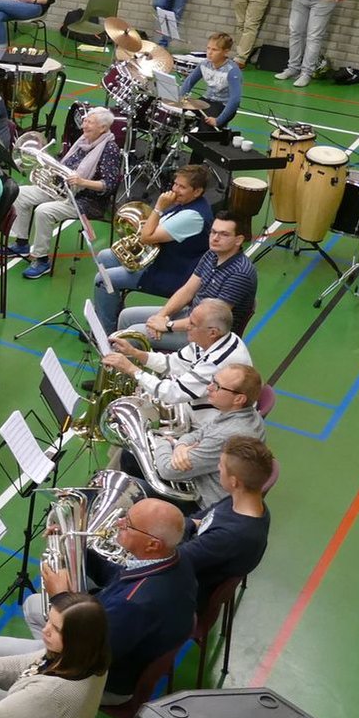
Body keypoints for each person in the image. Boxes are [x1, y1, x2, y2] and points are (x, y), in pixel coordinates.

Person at [0, 497, 196, 705]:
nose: (118, 523)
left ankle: (28, 696)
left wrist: (60, 597)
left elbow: (88, 654)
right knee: (33, 605)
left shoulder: (134, 604)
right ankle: (45, 662)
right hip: (113, 640)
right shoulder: (174, 558)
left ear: (152, 544)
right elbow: (117, 575)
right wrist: (74, 547)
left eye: (128, 524)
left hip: (99, 678)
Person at [118, 363, 267, 512]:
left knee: (123, 484)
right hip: (201, 479)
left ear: (239, 399)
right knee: (131, 456)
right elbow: (198, 433)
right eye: (213, 380)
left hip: (200, 502)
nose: (209, 387)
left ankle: (137, 511)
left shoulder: (227, 434)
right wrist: (181, 446)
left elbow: (167, 470)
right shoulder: (244, 413)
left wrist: (163, 441)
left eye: (217, 386)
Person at [90, 165, 213, 334]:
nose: (175, 189)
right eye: (175, 184)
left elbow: (146, 237)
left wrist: (159, 207)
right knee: (105, 257)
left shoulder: (193, 216)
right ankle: (113, 310)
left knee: (103, 280)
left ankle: (106, 332)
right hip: (160, 260)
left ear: (197, 191)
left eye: (182, 187)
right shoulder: (185, 203)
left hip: (170, 273)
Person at [4, 106, 121, 279]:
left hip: (85, 200)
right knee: (20, 193)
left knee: (44, 211)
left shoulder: (110, 149)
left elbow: (109, 185)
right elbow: (64, 164)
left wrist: (82, 182)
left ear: (103, 128)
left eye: (90, 122)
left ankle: (42, 260)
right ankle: (21, 243)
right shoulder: (83, 141)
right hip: (61, 189)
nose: (84, 125)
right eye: (85, 121)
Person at [117, 210, 257, 344]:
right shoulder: (211, 254)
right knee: (126, 316)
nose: (215, 238)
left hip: (208, 336)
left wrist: (168, 325)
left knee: (133, 333)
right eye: (213, 232)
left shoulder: (240, 274)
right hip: (192, 316)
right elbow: (187, 290)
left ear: (238, 240)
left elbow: (211, 319)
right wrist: (161, 316)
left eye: (224, 234)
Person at [102, 298, 253, 415]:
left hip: (208, 421)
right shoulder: (210, 341)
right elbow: (172, 362)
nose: (187, 326)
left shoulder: (216, 362)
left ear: (212, 332)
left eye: (193, 324)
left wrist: (132, 369)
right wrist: (135, 353)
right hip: (196, 405)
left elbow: (173, 393)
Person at [180, 436, 274, 600]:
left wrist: (183, 526)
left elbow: (177, 559)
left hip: (188, 589)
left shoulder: (231, 535)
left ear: (234, 481)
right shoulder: (242, 501)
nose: (218, 468)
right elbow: (202, 517)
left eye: (221, 466)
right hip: (194, 556)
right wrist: (189, 524)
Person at [180, 32, 244, 127]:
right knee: (180, 115)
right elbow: (189, 82)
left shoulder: (232, 71)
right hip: (206, 99)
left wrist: (218, 120)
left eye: (214, 50)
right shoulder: (204, 64)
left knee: (205, 125)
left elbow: (235, 100)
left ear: (226, 52)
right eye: (208, 48)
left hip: (222, 105)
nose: (209, 52)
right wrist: (181, 99)